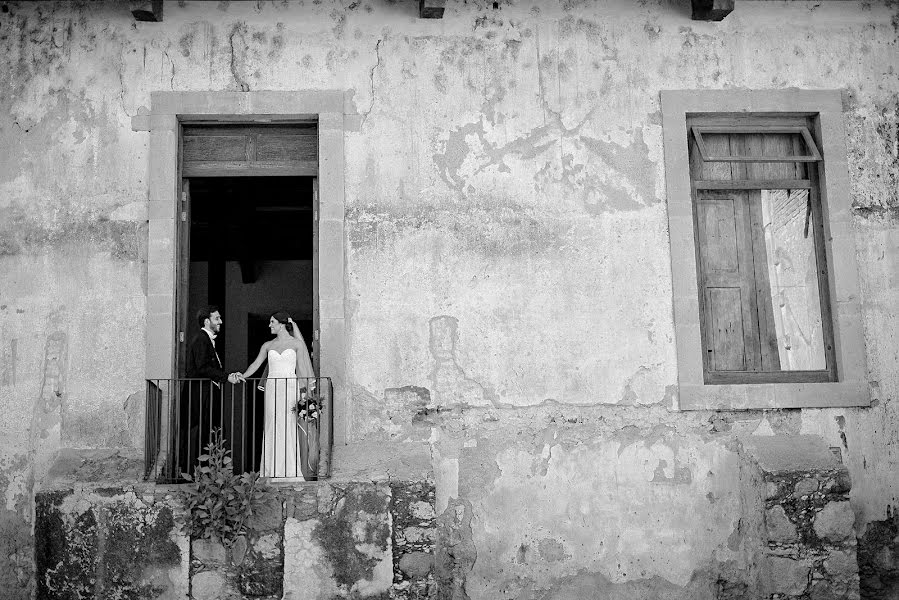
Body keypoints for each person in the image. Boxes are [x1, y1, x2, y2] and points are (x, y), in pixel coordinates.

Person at [237, 311, 315, 479]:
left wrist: (305, 394)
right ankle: (270, 471)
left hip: (290, 386)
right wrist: (242, 375)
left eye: (272, 322)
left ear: (281, 324)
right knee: (272, 424)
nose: (269, 325)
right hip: (272, 386)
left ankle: (290, 471)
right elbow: (256, 364)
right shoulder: (267, 345)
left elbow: (302, 368)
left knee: (288, 424)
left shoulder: (297, 344)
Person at [177, 306, 242, 478]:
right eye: (217, 318)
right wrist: (226, 377)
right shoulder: (201, 339)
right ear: (207, 321)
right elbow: (202, 367)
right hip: (201, 394)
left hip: (207, 392)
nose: (221, 321)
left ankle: (209, 472)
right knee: (205, 432)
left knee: (211, 431)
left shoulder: (206, 339)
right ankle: (201, 473)